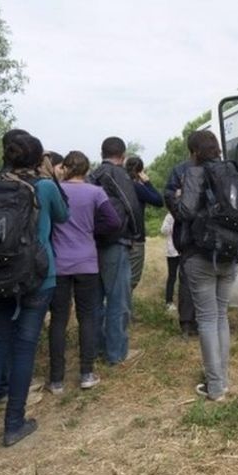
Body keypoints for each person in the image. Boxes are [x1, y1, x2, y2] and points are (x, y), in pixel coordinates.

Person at [0, 131, 68, 448]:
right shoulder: (45, 187)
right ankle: (14, 425)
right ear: (38, 159)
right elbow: (62, 217)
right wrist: (50, 176)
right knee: (25, 348)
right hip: (39, 278)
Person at [47, 151, 121, 394]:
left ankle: (56, 379)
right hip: (87, 262)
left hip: (59, 264)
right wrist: (91, 229)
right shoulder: (95, 192)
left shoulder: (54, 190)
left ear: (66, 167)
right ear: (87, 170)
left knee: (58, 320)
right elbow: (113, 221)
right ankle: (86, 374)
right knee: (87, 317)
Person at [176, 131, 236, 401]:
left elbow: (185, 212)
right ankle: (222, 380)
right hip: (230, 254)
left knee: (208, 320)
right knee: (221, 316)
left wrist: (177, 198)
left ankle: (214, 387)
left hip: (201, 255)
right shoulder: (233, 172)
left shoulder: (194, 173)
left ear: (195, 152)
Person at [88, 136, 142, 365]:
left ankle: (99, 348)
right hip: (116, 242)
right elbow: (131, 205)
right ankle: (117, 352)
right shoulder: (118, 173)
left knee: (97, 299)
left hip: (92, 243)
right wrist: (137, 234)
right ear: (122, 154)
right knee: (119, 299)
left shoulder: (92, 175)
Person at [164, 160, 198, 336]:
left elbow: (169, 197)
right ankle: (204, 322)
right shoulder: (223, 168)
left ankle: (187, 324)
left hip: (187, 235)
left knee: (186, 279)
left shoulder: (180, 169)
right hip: (214, 235)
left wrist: (180, 211)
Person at [125, 155, 163, 292]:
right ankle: (122, 311)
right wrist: (147, 182)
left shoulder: (118, 184)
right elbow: (159, 201)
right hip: (136, 237)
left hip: (118, 236)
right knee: (132, 280)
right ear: (140, 171)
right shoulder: (136, 187)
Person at [160, 212, 180, 313]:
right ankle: (169, 301)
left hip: (184, 251)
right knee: (172, 276)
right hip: (172, 251)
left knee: (185, 277)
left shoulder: (186, 213)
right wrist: (173, 225)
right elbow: (163, 230)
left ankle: (183, 301)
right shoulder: (170, 216)